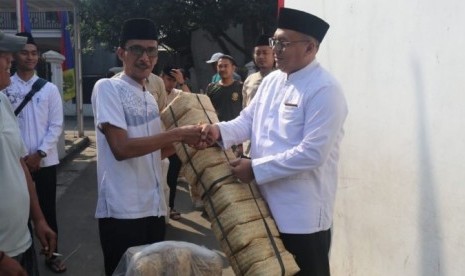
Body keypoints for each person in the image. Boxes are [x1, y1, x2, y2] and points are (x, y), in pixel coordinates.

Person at [197, 8, 348, 276]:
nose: (275, 49)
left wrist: (255, 168)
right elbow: (246, 121)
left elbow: (312, 153)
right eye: (274, 41)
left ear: (310, 48)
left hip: (302, 216)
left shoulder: (325, 89)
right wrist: (217, 131)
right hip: (263, 207)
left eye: (284, 43)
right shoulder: (271, 82)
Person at [91, 18, 202, 275]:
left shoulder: (151, 98)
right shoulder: (108, 88)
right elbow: (121, 149)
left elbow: (156, 152)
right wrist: (176, 133)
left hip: (153, 207)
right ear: (121, 53)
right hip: (122, 211)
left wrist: (189, 141)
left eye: (151, 50)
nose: (145, 57)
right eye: (137, 49)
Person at [4, 31, 65, 273]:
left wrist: (39, 153)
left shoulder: (48, 89)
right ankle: (21, 256)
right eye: (24, 52)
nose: (30, 57)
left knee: (47, 211)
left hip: (45, 162)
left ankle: (53, 255)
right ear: (14, 56)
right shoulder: (5, 88)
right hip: (14, 164)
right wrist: (22, 159)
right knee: (20, 211)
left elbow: (56, 125)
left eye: (33, 53)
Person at [160, 65, 190, 220]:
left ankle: (170, 207)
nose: (170, 83)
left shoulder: (178, 93)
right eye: (168, 79)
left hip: (173, 143)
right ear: (161, 77)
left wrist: (181, 82)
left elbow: (191, 101)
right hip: (155, 141)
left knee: (171, 178)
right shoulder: (153, 91)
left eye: (173, 80)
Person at [241, 34, 275, 157]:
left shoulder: (282, 78)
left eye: (265, 53)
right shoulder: (250, 80)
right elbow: (245, 108)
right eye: (257, 53)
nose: (261, 56)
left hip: (272, 138)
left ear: (274, 54)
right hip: (251, 137)